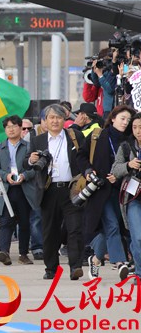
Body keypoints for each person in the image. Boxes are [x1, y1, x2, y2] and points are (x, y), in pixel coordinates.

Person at [24, 104, 86, 280]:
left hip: (72, 189)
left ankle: (75, 266)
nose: (55, 121)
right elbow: (26, 163)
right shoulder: (38, 141)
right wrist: (31, 160)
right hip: (49, 190)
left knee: (75, 228)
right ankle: (51, 268)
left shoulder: (75, 136)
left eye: (58, 117)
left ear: (64, 119)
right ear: (45, 121)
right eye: (51, 117)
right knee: (50, 231)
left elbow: (84, 158)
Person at [80, 105, 133, 281]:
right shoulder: (98, 136)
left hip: (123, 191)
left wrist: (119, 174)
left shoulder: (130, 140)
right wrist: (88, 171)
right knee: (112, 225)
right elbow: (80, 156)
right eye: (122, 118)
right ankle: (120, 263)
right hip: (101, 191)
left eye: (128, 119)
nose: (125, 122)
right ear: (112, 118)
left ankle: (95, 260)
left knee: (110, 229)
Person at [0, 115, 38, 266]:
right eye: (8, 127)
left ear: (20, 128)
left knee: (24, 222)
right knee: (5, 220)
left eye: (14, 126)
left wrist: (25, 176)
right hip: (7, 189)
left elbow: (35, 168)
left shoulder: (29, 147)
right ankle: (4, 252)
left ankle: (23, 253)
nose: (11, 130)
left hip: (24, 189)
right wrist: (6, 176)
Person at [111, 112, 141, 280]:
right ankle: (139, 273)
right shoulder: (126, 146)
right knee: (137, 237)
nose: (138, 131)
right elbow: (115, 169)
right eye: (135, 127)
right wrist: (129, 165)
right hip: (133, 197)